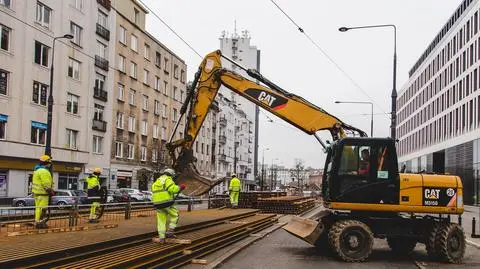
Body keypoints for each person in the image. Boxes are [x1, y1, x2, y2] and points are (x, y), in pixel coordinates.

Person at [151, 167, 186, 243]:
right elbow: (173, 189)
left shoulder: (156, 182)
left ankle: (162, 238)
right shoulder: (168, 180)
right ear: (171, 175)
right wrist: (180, 187)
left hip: (157, 204)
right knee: (175, 215)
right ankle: (170, 231)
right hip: (166, 203)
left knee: (161, 221)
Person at [32, 155, 54, 229]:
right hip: (43, 194)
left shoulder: (37, 170)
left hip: (37, 193)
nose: (50, 164)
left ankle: (37, 221)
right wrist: (50, 191)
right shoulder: (44, 171)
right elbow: (46, 184)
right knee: (43, 209)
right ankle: (41, 223)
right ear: (47, 162)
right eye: (49, 162)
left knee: (38, 208)